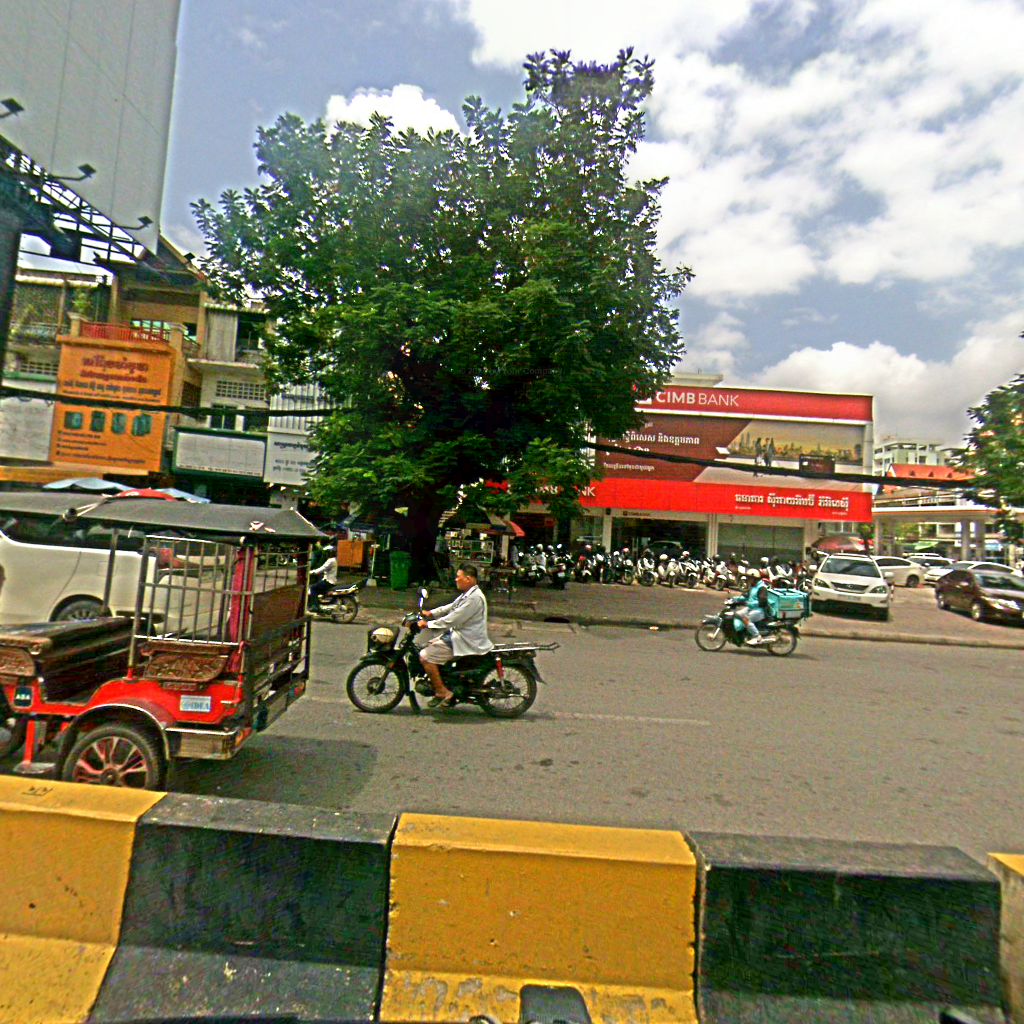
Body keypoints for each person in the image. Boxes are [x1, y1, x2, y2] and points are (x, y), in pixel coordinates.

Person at [417, 563, 494, 708]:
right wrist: (431, 613)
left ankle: (442, 692)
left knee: (425, 656)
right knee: (430, 645)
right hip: (458, 634)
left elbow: (453, 619)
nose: (455, 579)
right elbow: (451, 607)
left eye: (458, 577)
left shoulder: (474, 598)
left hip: (466, 639)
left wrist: (428, 624)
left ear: (468, 579)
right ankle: (444, 680)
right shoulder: (469, 594)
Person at [735, 570, 771, 645]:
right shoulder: (753, 586)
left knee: (746, 619)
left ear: (755, 578)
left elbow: (763, 602)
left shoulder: (762, 588)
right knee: (737, 614)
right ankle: (742, 632)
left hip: (760, 611)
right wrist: (735, 599)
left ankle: (757, 637)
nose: (748, 580)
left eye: (749, 578)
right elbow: (746, 596)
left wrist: (750, 604)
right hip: (751, 608)